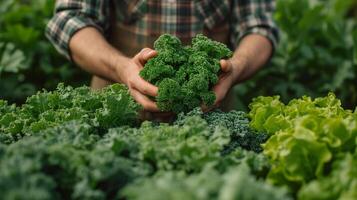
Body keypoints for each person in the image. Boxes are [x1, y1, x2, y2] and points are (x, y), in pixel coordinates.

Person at [46, 0, 278, 116]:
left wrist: (235, 67)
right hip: (116, 112)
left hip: (212, 115)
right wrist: (121, 67)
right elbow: (71, 18)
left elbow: (260, 27)